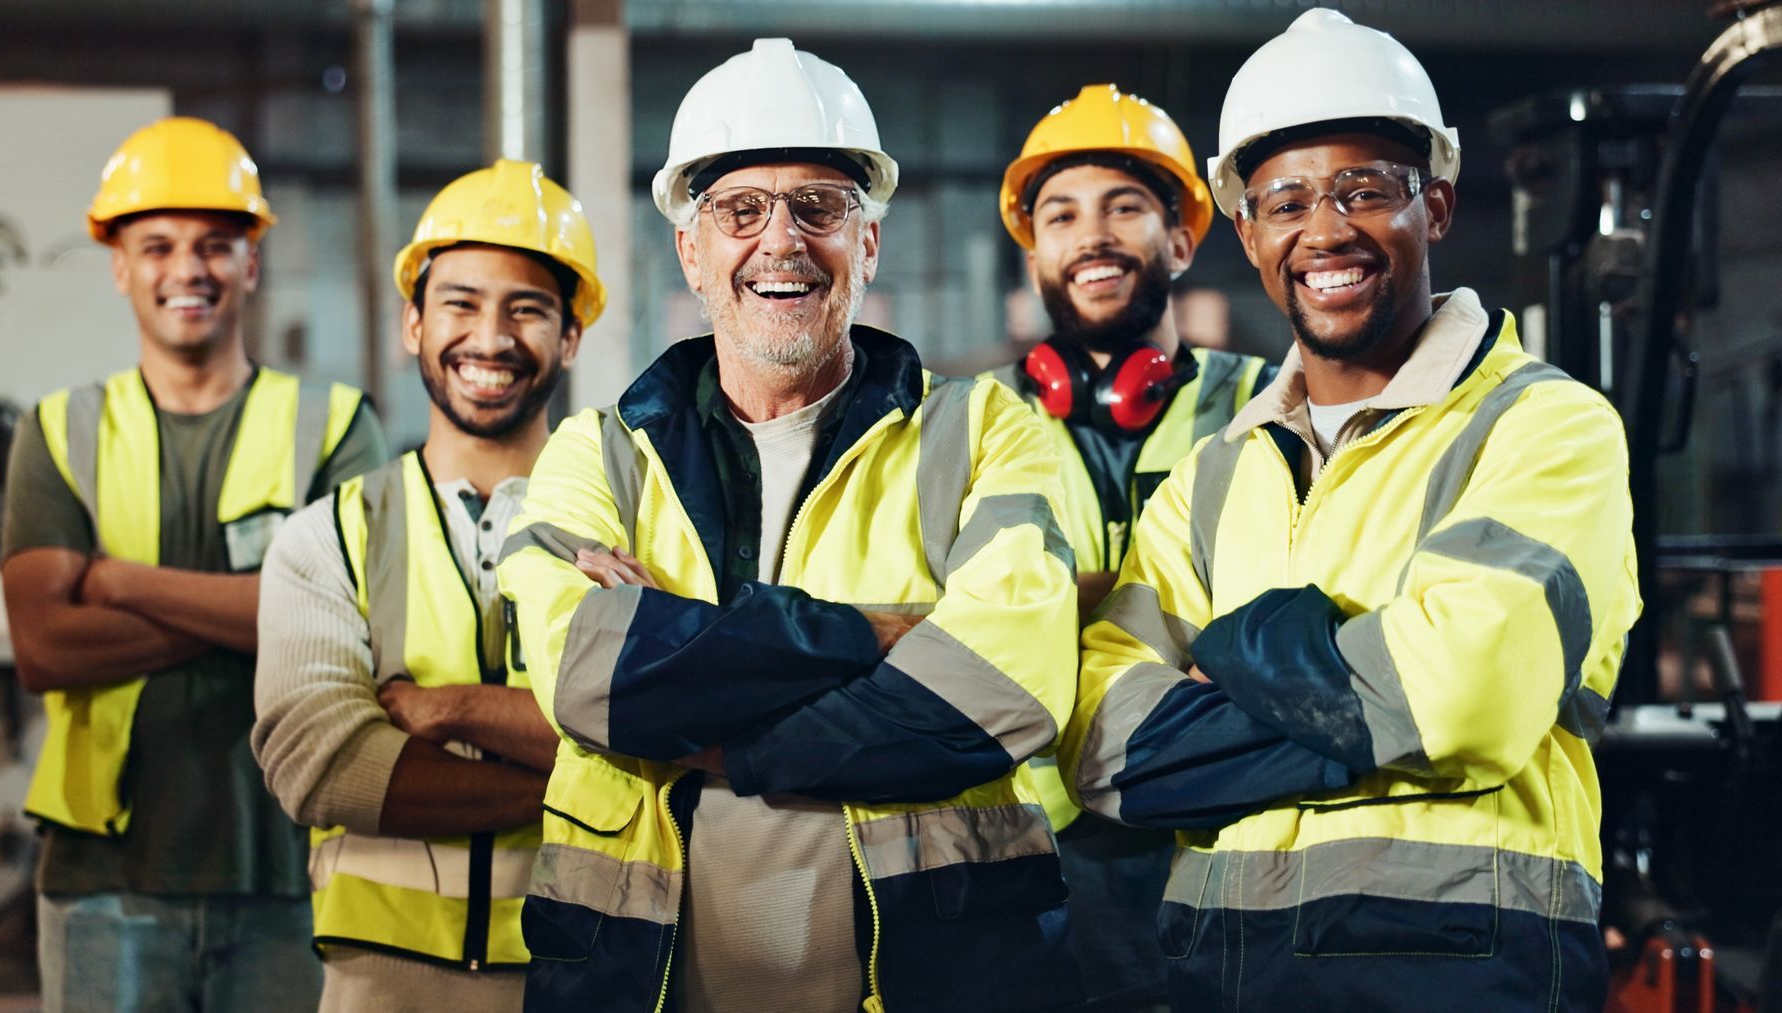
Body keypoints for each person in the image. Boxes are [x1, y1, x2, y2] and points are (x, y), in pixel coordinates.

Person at [1062, 11, 1639, 1011]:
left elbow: (1464, 695)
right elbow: (1105, 749)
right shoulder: (1211, 477)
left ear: (1439, 205)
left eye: (1365, 190)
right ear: (1247, 233)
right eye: (1285, 200)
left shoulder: (1543, 426)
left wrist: (1240, 641)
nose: (1325, 229)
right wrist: (1371, 698)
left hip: (1463, 963)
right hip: (1222, 969)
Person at [499, 38, 1081, 1013]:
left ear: (868, 243)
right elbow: (585, 673)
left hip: (937, 982)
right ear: (691, 249)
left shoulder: (983, 434)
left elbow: (1001, 691)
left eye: (819, 206)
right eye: (740, 209)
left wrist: (700, 709)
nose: (781, 241)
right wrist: (878, 634)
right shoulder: (597, 455)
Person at [1, 116, 387, 1011]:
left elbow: (355, 626)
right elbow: (47, 647)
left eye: (217, 245)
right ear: (121, 266)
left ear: (251, 263)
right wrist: (265, 612)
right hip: (104, 876)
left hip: (292, 872)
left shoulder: (333, 425)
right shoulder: (59, 430)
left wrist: (120, 581)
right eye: (159, 245)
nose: (189, 269)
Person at [250, 159, 600, 1011]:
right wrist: (585, 784)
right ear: (413, 322)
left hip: (588, 969)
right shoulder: (327, 536)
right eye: (460, 303)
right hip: (381, 982)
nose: (490, 338)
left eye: (527, 309)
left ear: (570, 337)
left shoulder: (627, 526)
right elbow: (323, 766)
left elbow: (670, 733)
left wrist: (444, 711)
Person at [990, 86, 1272, 1011]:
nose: (1093, 236)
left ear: (1181, 241)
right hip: (1027, 847)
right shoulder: (972, 426)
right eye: (1061, 215)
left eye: (1125, 208)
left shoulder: (1267, 407)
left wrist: (1055, 598)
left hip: (1219, 836)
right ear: (1034, 254)